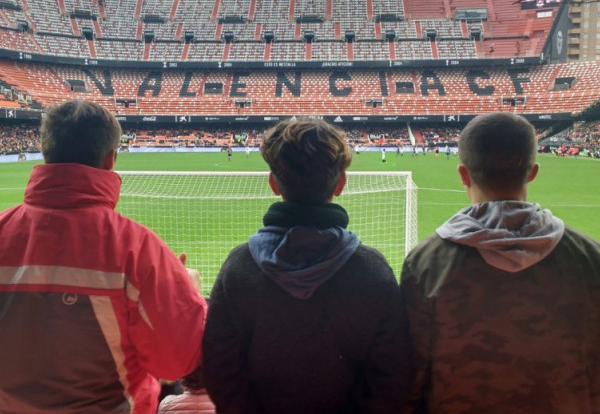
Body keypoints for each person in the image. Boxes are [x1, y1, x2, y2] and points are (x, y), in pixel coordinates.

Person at [0, 100, 208, 413]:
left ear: (44, 150)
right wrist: (188, 294)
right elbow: (175, 364)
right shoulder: (139, 251)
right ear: (110, 159)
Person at [203, 118, 414, 414]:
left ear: (273, 183)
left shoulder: (238, 267)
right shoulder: (373, 270)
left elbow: (219, 369)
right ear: (340, 184)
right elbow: (394, 375)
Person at [400, 112, 600, 413]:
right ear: (533, 172)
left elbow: (411, 374)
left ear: (463, 175)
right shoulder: (590, 256)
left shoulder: (426, 262)